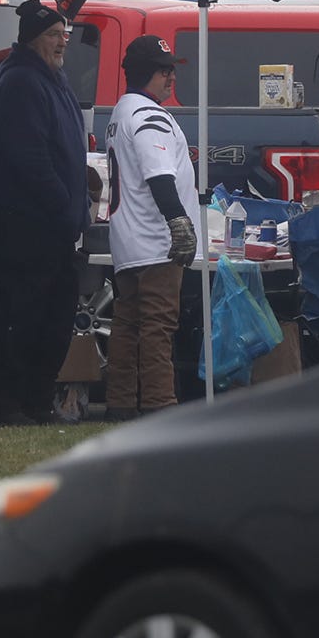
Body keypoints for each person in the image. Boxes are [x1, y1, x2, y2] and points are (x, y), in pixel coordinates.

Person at [0, 0, 88, 428]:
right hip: (26, 223)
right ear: (32, 39)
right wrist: (64, 203)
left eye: (65, 34)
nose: (63, 42)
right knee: (21, 316)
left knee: (55, 318)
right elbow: (31, 157)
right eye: (53, 35)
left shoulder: (53, 78)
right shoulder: (22, 81)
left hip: (57, 226)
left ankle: (36, 401)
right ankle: (3, 405)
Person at [101, 36, 198, 422]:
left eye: (171, 68)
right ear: (145, 74)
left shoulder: (122, 111)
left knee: (127, 325)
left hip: (128, 239)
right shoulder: (149, 115)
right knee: (157, 327)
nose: (171, 76)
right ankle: (161, 408)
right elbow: (159, 176)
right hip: (157, 243)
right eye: (163, 69)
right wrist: (180, 224)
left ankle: (121, 404)